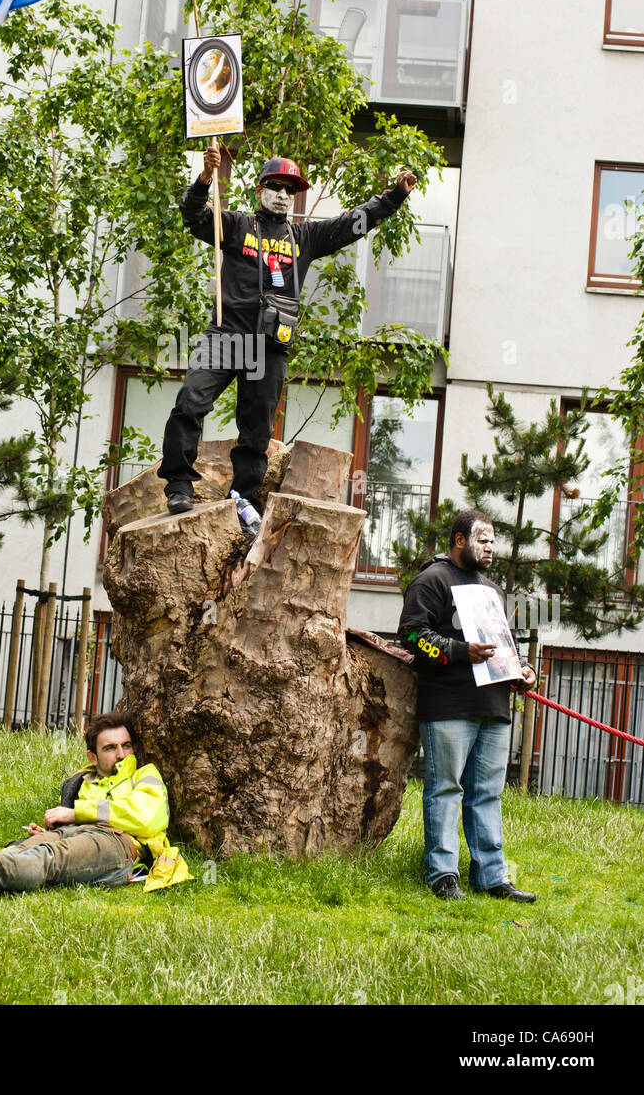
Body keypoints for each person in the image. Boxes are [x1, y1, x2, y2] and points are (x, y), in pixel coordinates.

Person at [159, 148, 416, 518]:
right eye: (275, 186)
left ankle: (243, 499)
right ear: (260, 190)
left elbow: (354, 223)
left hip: (269, 347)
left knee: (257, 431)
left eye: (290, 190)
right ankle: (179, 485)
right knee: (189, 403)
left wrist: (394, 195)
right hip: (226, 337)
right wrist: (204, 179)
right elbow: (193, 217)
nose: (282, 194)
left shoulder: (305, 237)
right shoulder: (235, 225)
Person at [398, 508, 538, 903]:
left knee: (487, 794)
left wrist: (524, 673)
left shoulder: (491, 591)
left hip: (493, 706)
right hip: (448, 706)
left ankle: (492, 877)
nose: (490, 547)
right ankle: (443, 875)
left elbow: (504, 645)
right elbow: (410, 637)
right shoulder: (431, 580)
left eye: (494, 541)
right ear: (460, 541)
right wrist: (461, 651)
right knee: (445, 789)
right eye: (483, 540)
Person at [0, 713, 170, 902]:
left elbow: (146, 817)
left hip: (119, 844)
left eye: (126, 746)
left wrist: (75, 814)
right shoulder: (82, 781)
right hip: (78, 835)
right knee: (22, 848)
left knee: (49, 857)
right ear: (92, 757)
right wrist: (51, 832)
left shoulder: (144, 774)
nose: (121, 754)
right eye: (110, 748)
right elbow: (76, 832)